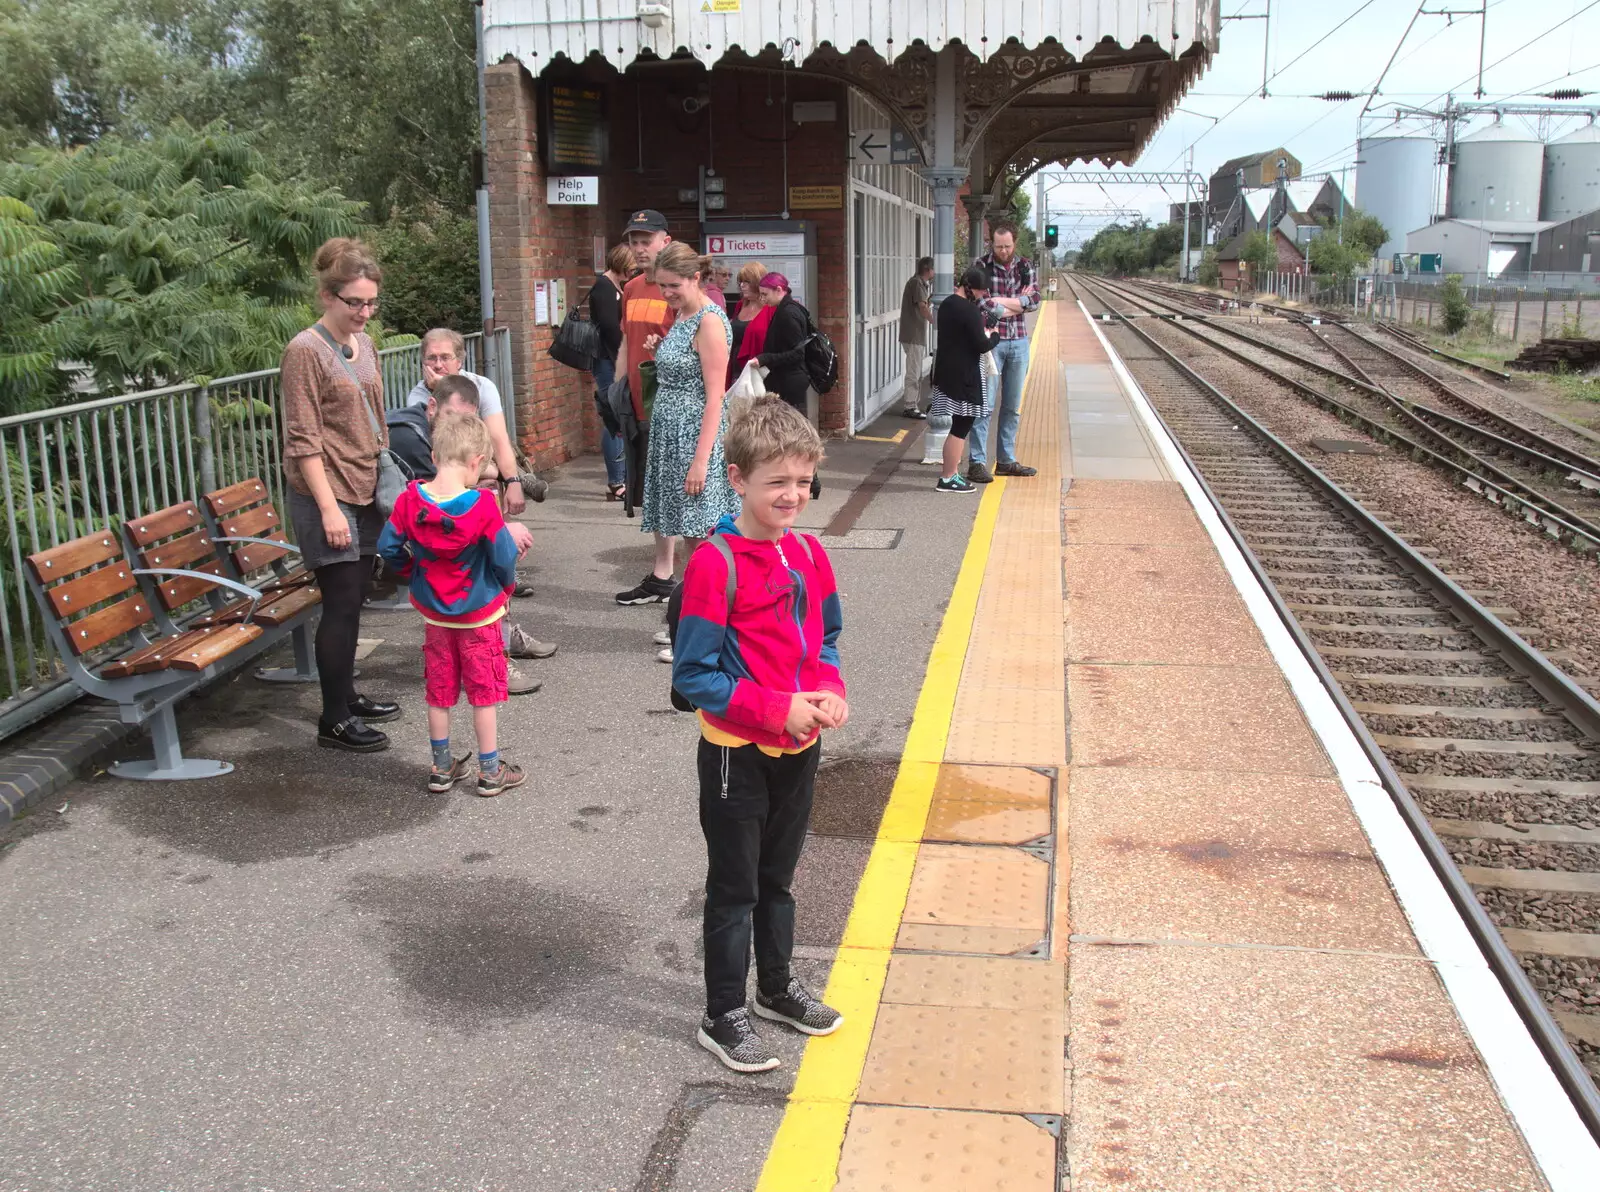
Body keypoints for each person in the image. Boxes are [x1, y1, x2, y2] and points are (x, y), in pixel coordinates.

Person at [672, 397, 848, 1074]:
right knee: (735, 885)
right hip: (734, 752)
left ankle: (775, 987)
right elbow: (694, 676)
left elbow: (826, 636)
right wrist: (778, 709)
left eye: (803, 482)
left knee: (778, 877)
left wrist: (829, 688)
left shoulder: (809, 551)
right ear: (738, 479)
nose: (793, 495)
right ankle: (723, 1014)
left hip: (800, 747)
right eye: (778, 481)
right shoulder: (717, 564)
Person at [280, 237, 401, 753]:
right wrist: (329, 509)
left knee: (357, 600)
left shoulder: (365, 342)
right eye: (355, 302)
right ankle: (332, 720)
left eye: (371, 302)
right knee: (342, 603)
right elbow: (302, 439)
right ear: (327, 296)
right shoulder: (304, 351)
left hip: (365, 484)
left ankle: (346, 694)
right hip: (325, 494)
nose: (365, 312)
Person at [376, 412, 527, 798]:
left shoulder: (411, 500)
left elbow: (388, 547)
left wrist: (414, 571)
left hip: (434, 613)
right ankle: (490, 770)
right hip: (479, 613)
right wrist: (504, 587)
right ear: (476, 461)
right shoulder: (481, 506)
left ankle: (442, 768)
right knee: (484, 692)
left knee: (439, 690)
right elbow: (503, 556)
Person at [386, 376, 545, 695]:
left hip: (425, 540)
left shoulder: (434, 433)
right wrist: (503, 536)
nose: (458, 429)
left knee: (441, 690)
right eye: (453, 418)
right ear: (432, 406)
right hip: (427, 542)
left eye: (466, 421)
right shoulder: (411, 437)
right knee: (494, 552)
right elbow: (445, 503)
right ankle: (495, 658)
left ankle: (500, 639)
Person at [637, 242, 737, 663]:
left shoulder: (710, 322)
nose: (666, 293)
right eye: (662, 286)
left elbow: (715, 398)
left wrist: (701, 460)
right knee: (688, 535)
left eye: (673, 285)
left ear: (696, 278)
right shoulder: (684, 315)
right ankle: (688, 623)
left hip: (695, 437)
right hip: (671, 434)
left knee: (702, 542)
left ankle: (704, 632)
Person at [613, 209, 681, 607]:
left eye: (646, 240)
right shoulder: (634, 287)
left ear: (665, 241)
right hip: (639, 405)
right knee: (654, 493)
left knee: (680, 494)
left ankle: (701, 586)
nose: (639, 248)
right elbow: (626, 342)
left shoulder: (679, 291)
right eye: (634, 241)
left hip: (670, 406)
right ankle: (663, 575)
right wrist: (616, 391)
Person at [405, 329, 547, 514]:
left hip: (481, 454)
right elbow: (443, 444)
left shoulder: (482, 386)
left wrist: (513, 484)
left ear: (459, 360)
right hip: (445, 461)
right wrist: (440, 388)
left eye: (445, 357)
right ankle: (516, 476)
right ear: (423, 362)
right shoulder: (417, 397)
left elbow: (497, 437)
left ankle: (516, 478)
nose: (438, 365)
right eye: (432, 358)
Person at [968, 220, 1041, 482]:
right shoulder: (980, 266)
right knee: (984, 404)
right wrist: (1014, 305)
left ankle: (1006, 460)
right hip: (991, 342)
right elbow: (981, 302)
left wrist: (1000, 303)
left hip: (1019, 342)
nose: (1003, 251)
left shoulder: (1025, 266)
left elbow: (1033, 300)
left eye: (1007, 246)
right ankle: (977, 461)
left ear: (1015, 242)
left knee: (1012, 406)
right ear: (991, 242)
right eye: (998, 246)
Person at [929, 266, 1001, 494]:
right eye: (980, 291)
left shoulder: (948, 304)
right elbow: (981, 344)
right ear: (970, 287)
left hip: (948, 372)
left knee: (959, 424)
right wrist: (994, 335)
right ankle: (948, 477)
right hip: (965, 376)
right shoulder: (969, 311)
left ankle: (950, 474)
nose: (982, 295)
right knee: (962, 425)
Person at [590, 243, 633, 501]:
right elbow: (609, 327)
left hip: (613, 359)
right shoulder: (604, 287)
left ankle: (623, 477)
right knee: (612, 417)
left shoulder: (614, 286)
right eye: (630, 267)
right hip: (608, 360)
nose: (633, 271)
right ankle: (617, 481)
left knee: (619, 415)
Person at [898, 256, 934, 419]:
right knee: (914, 371)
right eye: (933, 269)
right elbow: (922, 307)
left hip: (914, 333)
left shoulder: (918, 283)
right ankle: (910, 406)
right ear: (928, 269)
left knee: (916, 370)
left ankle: (913, 404)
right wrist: (935, 322)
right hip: (913, 334)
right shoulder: (917, 283)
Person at [726, 261, 770, 384]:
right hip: (736, 369)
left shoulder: (770, 309)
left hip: (760, 372)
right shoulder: (740, 306)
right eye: (740, 282)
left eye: (747, 282)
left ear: (758, 283)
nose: (742, 285)